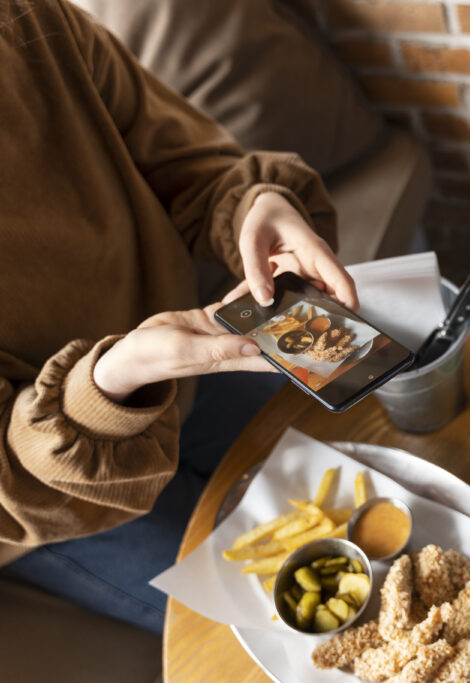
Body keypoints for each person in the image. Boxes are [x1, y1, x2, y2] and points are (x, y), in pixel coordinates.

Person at [0, 0, 358, 632]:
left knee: (392, 405)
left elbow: (190, 167)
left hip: (199, 363)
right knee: (310, 614)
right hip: (56, 500)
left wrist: (255, 205)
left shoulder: (30, 24)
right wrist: (108, 385)